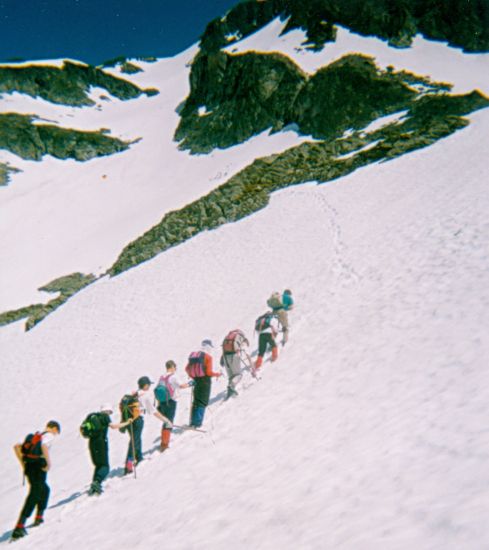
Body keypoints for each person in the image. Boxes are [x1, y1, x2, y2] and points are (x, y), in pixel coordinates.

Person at [11, 420, 61, 541]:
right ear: (54, 428)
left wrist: (24, 465)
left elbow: (17, 447)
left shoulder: (36, 436)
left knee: (44, 490)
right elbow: (44, 446)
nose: (56, 434)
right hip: (39, 467)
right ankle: (20, 525)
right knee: (35, 494)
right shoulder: (48, 436)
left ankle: (39, 517)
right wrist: (48, 464)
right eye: (57, 432)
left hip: (30, 467)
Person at [124, 376, 172, 474]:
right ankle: (128, 465)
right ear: (145, 386)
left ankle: (139, 457)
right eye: (149, 384)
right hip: (137, 420)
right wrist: (165, 420)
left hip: (129, 420)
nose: (149, 386)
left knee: (136, 438)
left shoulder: (133, 394)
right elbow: (153, 411)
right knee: (134, 441)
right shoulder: (144, 396)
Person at [83, 404, 133, 495]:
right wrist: (127, 422)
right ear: (107, 411)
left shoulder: (91, 416)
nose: (109, 414)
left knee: (98, 465)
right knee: (105, 466)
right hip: (101, 443)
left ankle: (94, 485)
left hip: (91, 443)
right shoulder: (105, 416)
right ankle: (97, 483)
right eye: (110, 412)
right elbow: (113, 426)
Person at [155, 360, 191, 452]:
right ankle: (164, 444)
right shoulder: (173, 377)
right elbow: (181, 386)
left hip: (162, 402)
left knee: (166, 421)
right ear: (171, 367)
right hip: (171, 402)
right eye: (175, 367)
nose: (175, 369)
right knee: (169, 422)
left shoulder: (162, 377)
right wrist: (190, 384)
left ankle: (164, 441)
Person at [186, 339, 222, 428]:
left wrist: (194, 376)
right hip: (205, 381)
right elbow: (209, 372)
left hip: (196, 380)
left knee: (196, 401)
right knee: (202, 401)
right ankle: (198, 423)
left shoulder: (194, 355)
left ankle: (192, 422)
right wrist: (217, 374)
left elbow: (186, 369)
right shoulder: (208, 357)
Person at [220, 329, 249, 398]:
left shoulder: (227, 337)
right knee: (239, 375)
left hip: (225, 356)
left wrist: (222, 358)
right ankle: (231, 387)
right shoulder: (239, 336)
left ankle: (230, 390)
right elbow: (244, 347)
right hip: (234, 355)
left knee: (231, 376)